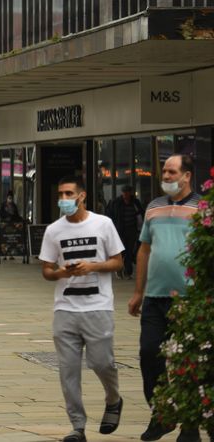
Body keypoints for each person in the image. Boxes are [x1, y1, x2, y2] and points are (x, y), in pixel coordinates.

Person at [39, 175, 124, 442]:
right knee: (68, 371)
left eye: (69, 194)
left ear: (82, 196)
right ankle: (78, 426)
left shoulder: (103, 224)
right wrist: (61, 273)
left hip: (98, 306)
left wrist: (93, 266)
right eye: (61, 194)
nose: (63, 199)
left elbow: (118, 262)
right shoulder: (54, 230)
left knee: (102, 363)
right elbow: (46, 270)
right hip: (65, 309)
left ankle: (113, 398)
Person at [128, 154, 202, 442]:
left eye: (172, 172)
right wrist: (137, 292)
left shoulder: (203, 208)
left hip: (189, 298)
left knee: (189, 363)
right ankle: (162, 416)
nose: (166, 176)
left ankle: (190, 426)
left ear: (187, 176)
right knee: (149, 355)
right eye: (165, 172)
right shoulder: (153, 207)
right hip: (155, 298)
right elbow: (144, 250)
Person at [105, 185, 143, 279]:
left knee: (129, 251)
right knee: (121, 252)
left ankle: (128, 272)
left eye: (127, 192)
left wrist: (139, 229)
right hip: (119, 231)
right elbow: (110, 215)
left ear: (130, 193)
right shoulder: (116, 203)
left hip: (132, 231)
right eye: (124, 192)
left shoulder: (135, 203)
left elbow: (140, 215)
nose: (125, 194)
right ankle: (119, 269)